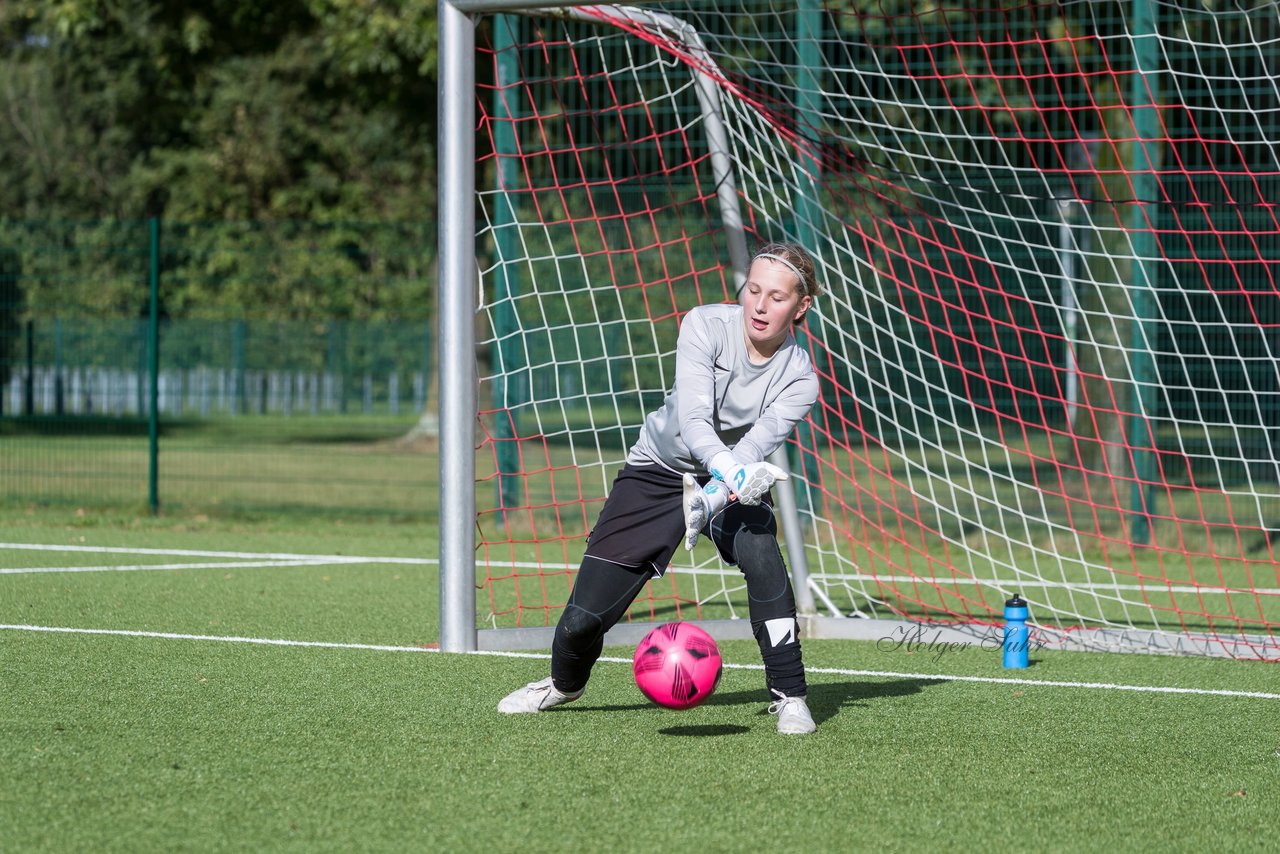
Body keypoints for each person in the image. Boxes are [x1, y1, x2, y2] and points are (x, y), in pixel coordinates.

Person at [498, 241, 822, 734]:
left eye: (777, 297)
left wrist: (716, 494)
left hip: (730, 478)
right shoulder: (705, 325)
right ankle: (563, 685)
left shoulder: (800, 378)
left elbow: (754, 447)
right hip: (656, 471)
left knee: (763, 557)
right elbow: (693, 422)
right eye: (753, 290)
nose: (759, 305)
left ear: (800, 307)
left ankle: (790, 695)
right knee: (580, 624)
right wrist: (728, 477)